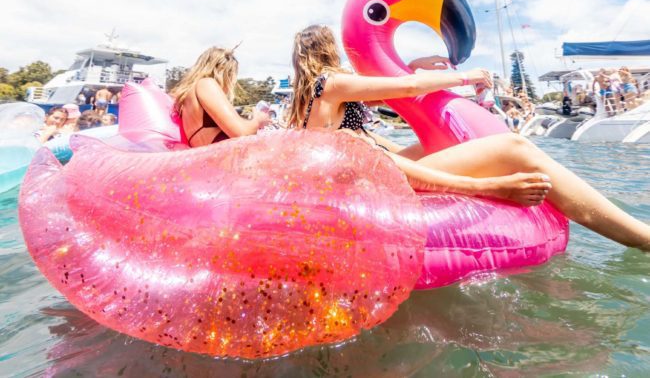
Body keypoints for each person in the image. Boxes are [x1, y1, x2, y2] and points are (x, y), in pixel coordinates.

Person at [288, 25, 650, 250]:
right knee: (515, 147)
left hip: (355, 177)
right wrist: (465, 77)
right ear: (327, 50)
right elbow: (408, 87)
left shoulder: (310, 96)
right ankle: (641, 237)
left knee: (445, 143)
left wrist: (418, 63)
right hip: (364, 182)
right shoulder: (331, 84)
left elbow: (398, 92)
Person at [170, 46, 270, 147]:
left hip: (207, 158)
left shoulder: (188, 98)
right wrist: (258, 120)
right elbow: (242, 133)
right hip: (224, 159)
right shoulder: (206, 83)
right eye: (231, 75)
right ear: (223, 71)